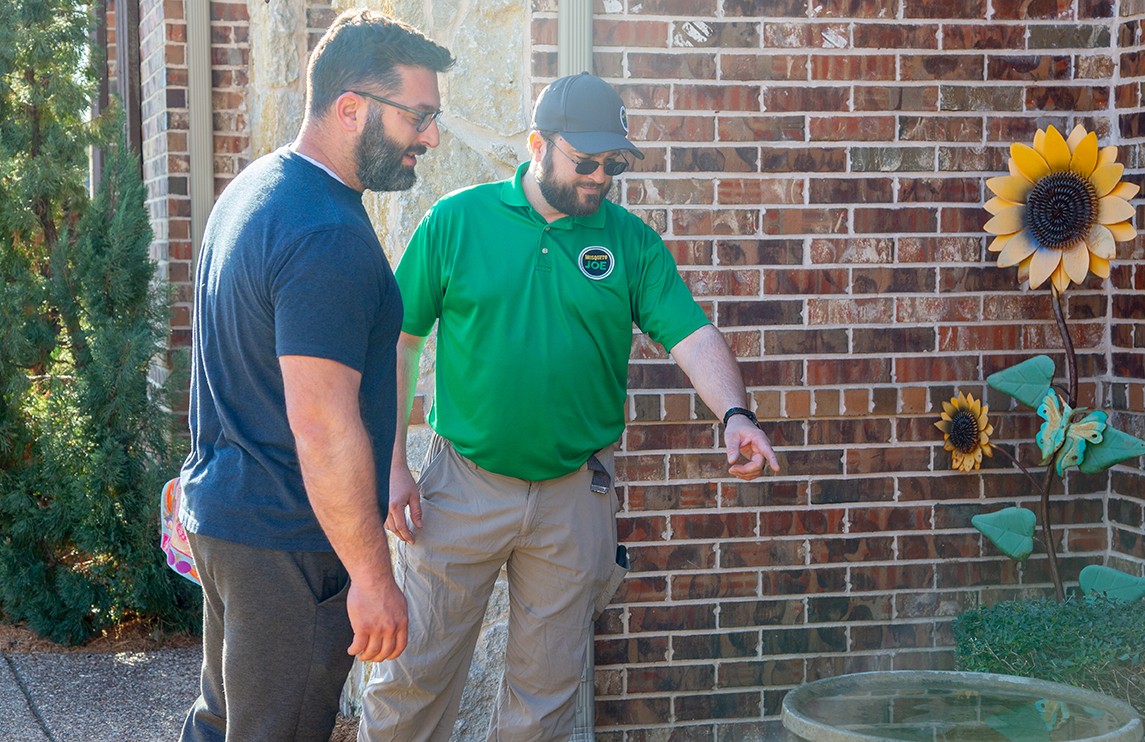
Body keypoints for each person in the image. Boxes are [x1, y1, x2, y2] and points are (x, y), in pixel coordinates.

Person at [357, 72, 780, 742]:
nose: (600, 178)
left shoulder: (629, 242)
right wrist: (390, 464)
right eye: (585, 162)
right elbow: (398, 345)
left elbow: (693, 336)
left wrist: (736, 416)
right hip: (460, 484)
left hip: (573, 495)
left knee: (546, 706)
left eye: (613, 164)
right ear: (536, 144)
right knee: (414, 681)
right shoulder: (456, 223)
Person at [174, 11, 454, 742]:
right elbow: (323, 424)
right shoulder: (325, 233)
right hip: (287, 544)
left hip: (233, 521)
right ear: (351, 107)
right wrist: (371, 576)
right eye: (418, 116)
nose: (428, 136)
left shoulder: (255, 191)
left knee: (224, 722)